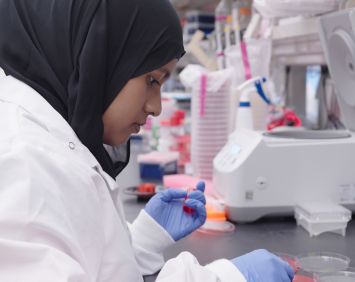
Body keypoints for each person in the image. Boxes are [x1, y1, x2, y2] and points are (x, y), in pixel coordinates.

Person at [0, 0, 294, 281]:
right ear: (97, 58)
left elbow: (74, 258)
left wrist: (138, 242)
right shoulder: (23, 166)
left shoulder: (47, 135)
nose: (156, 107)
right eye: (152, 80)